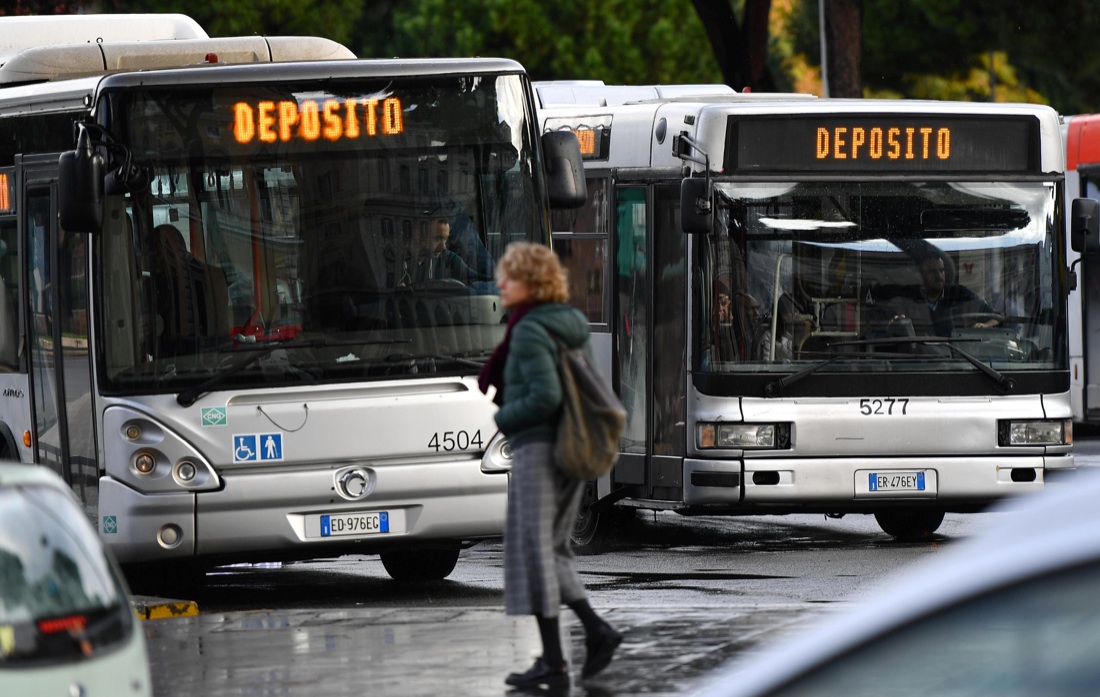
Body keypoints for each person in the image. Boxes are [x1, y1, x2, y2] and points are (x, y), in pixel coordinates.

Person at [477, 242, 622, 690]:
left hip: (540, 448)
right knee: (552, 549)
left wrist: (503, 418)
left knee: (535, 550)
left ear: (532, 282)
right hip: (567, 449)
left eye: (510, 277)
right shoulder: (560, 323)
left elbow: (545, 397)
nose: (501, 284)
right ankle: (581, 640)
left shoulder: (531, 331)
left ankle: (564, 653)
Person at [890, 254, 1001, 337]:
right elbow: (891, 331)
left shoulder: (960, 294)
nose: (939, 276)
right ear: (920, 276)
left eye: (941, 270)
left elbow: (997, 318)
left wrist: (985, 326)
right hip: (920, 363)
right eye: (932, 272)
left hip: (959, 360)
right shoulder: (907, 299)